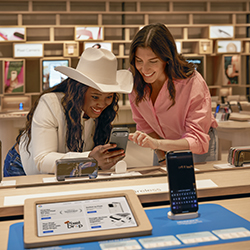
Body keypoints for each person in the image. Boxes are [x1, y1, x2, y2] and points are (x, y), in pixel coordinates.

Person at [4, 48, 133, 176]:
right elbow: (42, 160)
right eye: (95, 96)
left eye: (109, 97)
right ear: (79, 90)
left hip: (65, 171)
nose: (102, 104)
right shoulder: (50, 104)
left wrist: (104, 159)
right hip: (22, 167)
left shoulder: (103, 113)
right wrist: (90, 158)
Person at [128, 23, 218, 165]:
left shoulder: (192, 83)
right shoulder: (134, 81)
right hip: (161, 146)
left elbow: (197, 140)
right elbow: (145, 125)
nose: (144, 69)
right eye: (139, 61)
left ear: (167, 59)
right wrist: (161, 155)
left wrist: (158, 144)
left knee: (196, 186)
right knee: (161, 184)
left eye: (153, 61)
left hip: (195, 147)